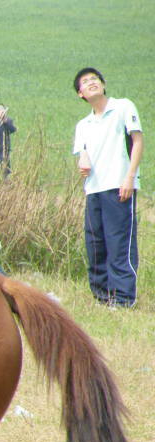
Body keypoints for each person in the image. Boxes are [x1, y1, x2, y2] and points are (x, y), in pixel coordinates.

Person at [72, 67, 143, 307]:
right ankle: (103, 296)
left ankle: (123, 298)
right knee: (96, 244)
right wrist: (83, 160)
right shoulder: (83, 124)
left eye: (95, 79)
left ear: (103, 85)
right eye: (85, 82)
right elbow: (83, 154)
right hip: (93, 189)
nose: (91, 83)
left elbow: (137, 141)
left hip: (119, 185)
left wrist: (129, 178)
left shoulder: (123, 107)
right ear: (80, 94)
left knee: (119, 243)